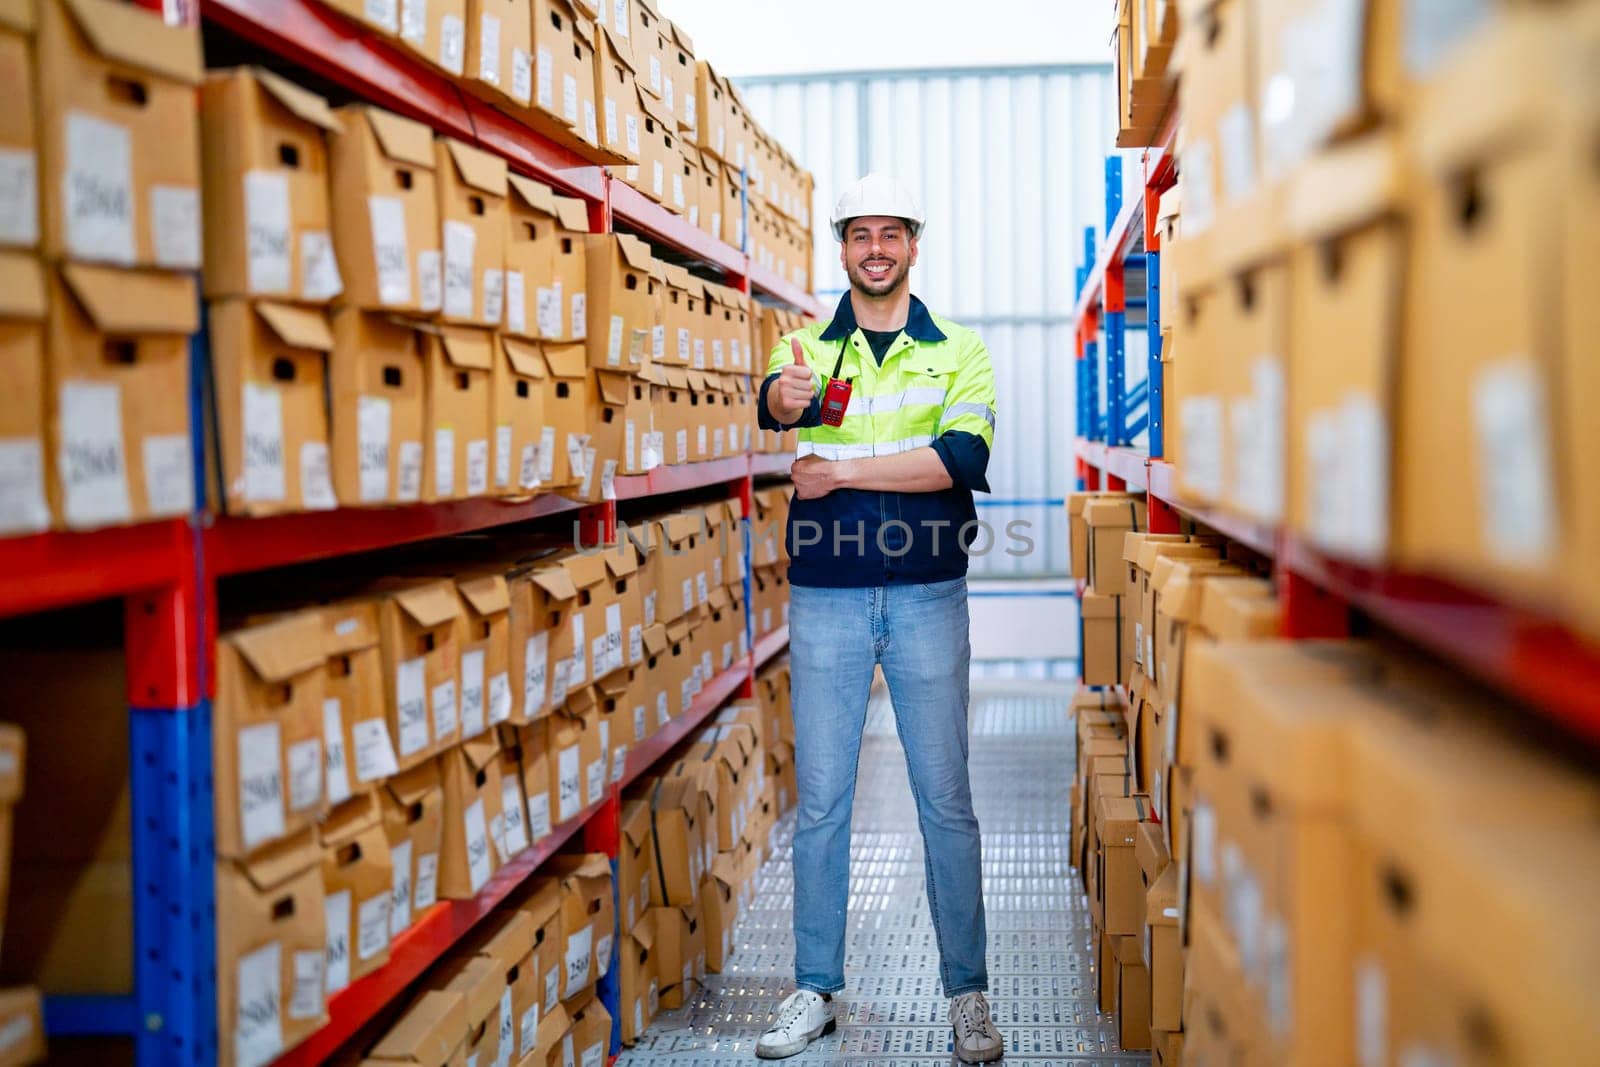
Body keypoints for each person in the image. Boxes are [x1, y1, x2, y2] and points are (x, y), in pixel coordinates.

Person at [752, 173, 1002, 1063]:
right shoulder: (808, 349)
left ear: (913, 243)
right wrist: (783, 403)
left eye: (891, 232)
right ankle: (815, 988)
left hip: (930, 596)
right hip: (826, 600)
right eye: (861, 234)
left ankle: (967, 995)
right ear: (844, 246)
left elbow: (959, 459)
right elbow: (781, 404)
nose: (876, 248)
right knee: (820, 804)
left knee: (948, 804)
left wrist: (847, 473)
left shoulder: (959, 352)